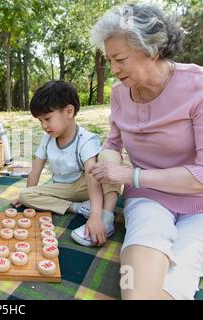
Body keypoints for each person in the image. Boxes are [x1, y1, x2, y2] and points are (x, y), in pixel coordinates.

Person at [89, 3, 203, 299]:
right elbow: (112, 144)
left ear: (152, 49)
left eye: (120, 59)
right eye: (109, 59)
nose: (113, 69)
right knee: (136, 290)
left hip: (199, 205)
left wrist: (131, 175)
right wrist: (105, 167)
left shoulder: (198, 87)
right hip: (148, 202)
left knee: (176, 280)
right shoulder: (118, 94)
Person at [11, 80, 122, 247]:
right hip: (64, 189)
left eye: (47, 118)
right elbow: (36, 168)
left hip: (88, 184)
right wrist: (28, 196)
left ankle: (105, 217)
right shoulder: (47, 139)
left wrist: (94, 216)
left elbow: (92, 176)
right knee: (25, 194)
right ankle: (78, 208)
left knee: (110, 157)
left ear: (69, 111)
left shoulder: (85, 139)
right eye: (40, 120)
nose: (44, 126)